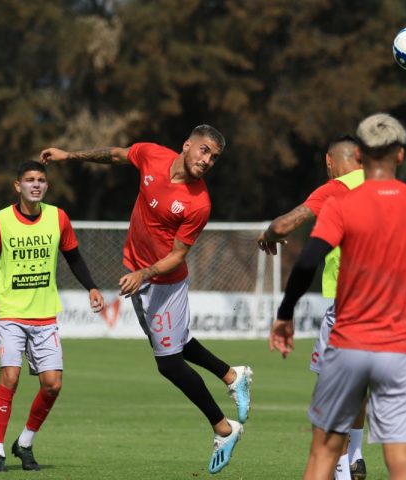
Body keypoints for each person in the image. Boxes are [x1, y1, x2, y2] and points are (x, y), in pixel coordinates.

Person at [40, 124, 253, 475]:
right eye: (204, 151)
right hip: (139, 277)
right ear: (186, 144)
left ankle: (224, 429)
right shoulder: (153, 155)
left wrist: (144, 274)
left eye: (214, 157)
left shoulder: (198, 202)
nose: (208, 160)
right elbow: (115, 155)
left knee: (168, 363)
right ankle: (233, 375)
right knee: (176, 347)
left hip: (164, 284)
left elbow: (178, 256)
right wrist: (69, 155)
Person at [269, 113, 406, 480]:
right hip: (402, 347)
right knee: (404, 462)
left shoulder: (341, 202)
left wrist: (285, 313)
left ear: (360, 154)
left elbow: (308, 261)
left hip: (349, 341)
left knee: (323, 454)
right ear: (400, 155)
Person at [0, 160, 105, 472]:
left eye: (41, 180)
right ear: (17, 186)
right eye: (30, 180)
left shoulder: (58, 217)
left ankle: (24, 443)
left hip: (45, 316)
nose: (36, 184)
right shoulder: (1, 221)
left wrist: (91, 287)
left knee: (53, 385)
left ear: (47, 185)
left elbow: (73, 257)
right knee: (10, 377)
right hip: (10, 315)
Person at [257, 135, 369, 480]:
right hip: (391, 302)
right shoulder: (389, 186)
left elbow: (284, 225)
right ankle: (356, 455)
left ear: (329, 162)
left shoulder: (336, 189)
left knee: (331, 389)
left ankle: (341, 470)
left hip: (348, 303)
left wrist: (269, 235)